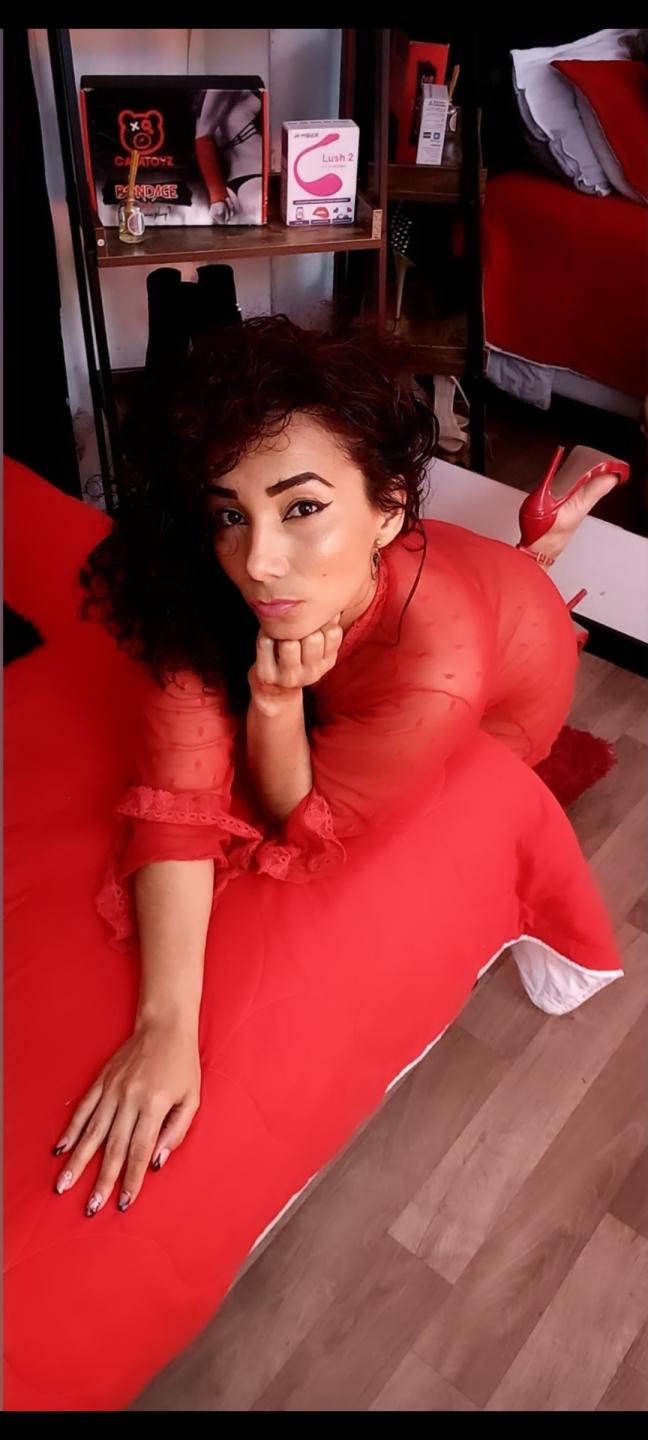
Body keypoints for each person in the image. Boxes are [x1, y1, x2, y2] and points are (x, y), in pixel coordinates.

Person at [49, 316, 622, 1221]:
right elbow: (177, 799)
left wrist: (276, 706)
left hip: (498, 675)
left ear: (388, 508)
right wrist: (164, 1026)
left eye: (302, 507)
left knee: (447, 743)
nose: (257, 563)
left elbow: (307, 822)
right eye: (230, 513)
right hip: (413, 594)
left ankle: (539, 575)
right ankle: (534, 547)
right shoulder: (218, 579)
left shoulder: (435, 670)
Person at [194, 87, 264, 225]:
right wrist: (217, 196)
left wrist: (217, 196)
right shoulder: (225, 87)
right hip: (253, 179)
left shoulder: (202, 104)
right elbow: (202, 139)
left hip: (234, 187)